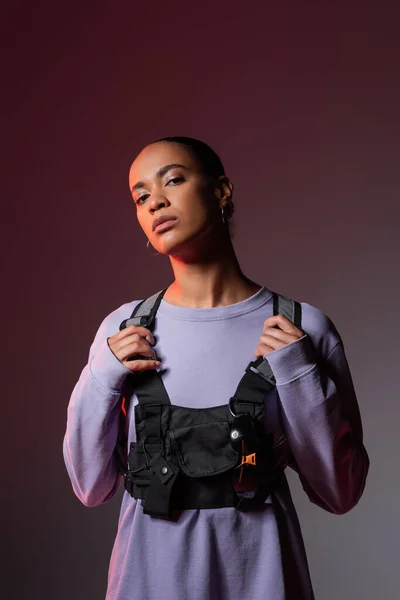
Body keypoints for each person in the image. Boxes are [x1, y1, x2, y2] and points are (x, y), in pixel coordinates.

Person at [63, 136, 369, 600]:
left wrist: (298, 374)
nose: (156, 202)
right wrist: (102, 374)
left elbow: (339, 492)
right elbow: (89, 485)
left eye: (174, 180)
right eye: (141, 196)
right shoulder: (122, 331)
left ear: (222, 190)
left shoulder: (302, 329)